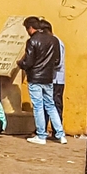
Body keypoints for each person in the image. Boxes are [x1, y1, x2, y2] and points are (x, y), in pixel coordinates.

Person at [18, 16, 66, 145]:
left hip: (35, 78)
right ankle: (61, 135)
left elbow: (28, 62)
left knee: (38, 106)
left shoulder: (32, 41)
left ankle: (41, 135)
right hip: (49, 78)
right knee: (51, 105)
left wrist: (20, 64)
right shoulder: (54, 40)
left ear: (30, 28)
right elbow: (56, 61)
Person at [39, 18, 66, 123]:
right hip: (46, 79)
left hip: (56, 80)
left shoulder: (57, 42)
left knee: (55, 105)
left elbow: (58, 63)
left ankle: (57, 131)